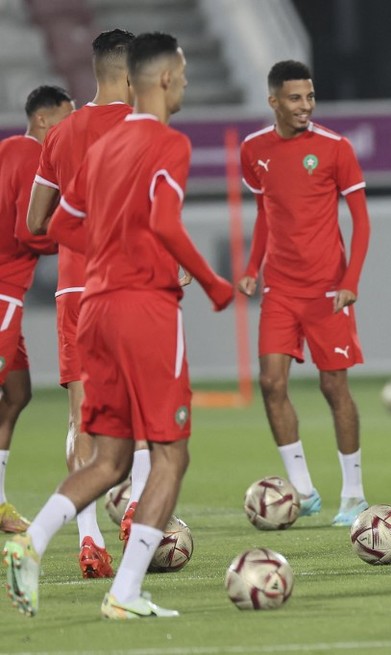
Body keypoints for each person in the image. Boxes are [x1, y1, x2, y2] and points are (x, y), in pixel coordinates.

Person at [2, 32, 233, 619]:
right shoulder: (166, 143)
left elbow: (57, 226)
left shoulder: (92, 146)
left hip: (92, 305)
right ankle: (125, 593)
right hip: (143, 308)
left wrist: (106, 249)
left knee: (109, 457)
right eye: (180, 74)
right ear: (157, 79)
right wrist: (208, 279)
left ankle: (30, 543)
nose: (184, 83)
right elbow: (165, 221)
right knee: (171, 454)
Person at [237, 60, 371, 527]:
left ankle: (353, 494)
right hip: (279, 288)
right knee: (271, 383)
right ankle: (304, 489)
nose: (305, 106)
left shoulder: (335, 148)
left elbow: (362, 219)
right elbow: (263, 213)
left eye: (310, 97)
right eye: (295, 98)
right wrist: (252, 267)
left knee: (334, 386)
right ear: (273, 101)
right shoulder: (253, 149)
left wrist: (351, 280)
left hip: (328, 290)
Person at [26, 28, 140, 580]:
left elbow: (33, 221)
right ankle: (138, 504)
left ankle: (88, 539)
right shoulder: (143, 129)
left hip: (74, 289)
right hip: (130, 285)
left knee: (82, 417)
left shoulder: (62, 134)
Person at [0, 86, 73, 533]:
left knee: (17, 393)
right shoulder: (34, 159)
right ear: (45, 120)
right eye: (67, 118)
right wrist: (78, 234)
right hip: (2, 292)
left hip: (9, 294)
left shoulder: (7, 148)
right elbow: (30, 232)